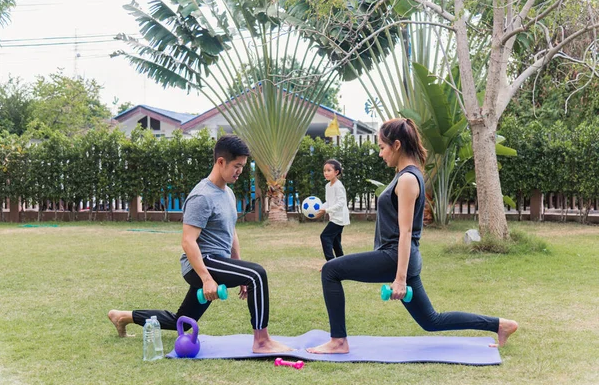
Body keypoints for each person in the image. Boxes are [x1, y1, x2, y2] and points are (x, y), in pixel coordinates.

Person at [307, 118, 518, 354]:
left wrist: (400, 279)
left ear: (397, 145)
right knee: (431, 321)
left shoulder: (407, 179)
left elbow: (406, 232)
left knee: (331, 271)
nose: (380, 154)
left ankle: (338, 341)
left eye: (382, 147)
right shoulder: (406, 175)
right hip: (401, 257)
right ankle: (500, 325)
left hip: (395, 257)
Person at [109, 134, 293, 354]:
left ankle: (123, 316)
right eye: (237, 166)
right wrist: (207, 278)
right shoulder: (202, 196)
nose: (240, 171)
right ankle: (262, 341)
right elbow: (188, 241)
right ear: (221, 162)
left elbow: (231, 231)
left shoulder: (228, 193)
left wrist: (239, 267)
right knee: (257, 274)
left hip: (218, 261)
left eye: (243, 166)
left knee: (184, 321)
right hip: (201, 263)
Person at [315, 159, 350, 261]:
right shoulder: (327, 186)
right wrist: (321, 209)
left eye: (329, 170)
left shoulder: (338, 186)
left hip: (339, 218)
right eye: (324, 170)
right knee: (335, 242)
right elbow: (329, 202)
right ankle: (342, 263)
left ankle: (330, 262)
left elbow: (341, 203)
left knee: (324, 236)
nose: (326, 173)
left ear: (336, 172)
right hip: (334, 217)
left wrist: (326, 211)